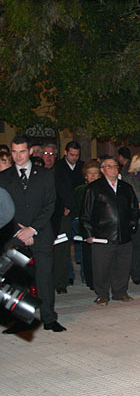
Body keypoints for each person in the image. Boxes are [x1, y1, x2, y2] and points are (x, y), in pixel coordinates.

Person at [0, 135, 65, 333]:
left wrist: (33, 229)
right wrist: (19, 230)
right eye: (14, 152)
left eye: (21, 151)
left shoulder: (45, 175)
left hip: (41, 233)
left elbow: (50, 205)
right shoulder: (4, 177)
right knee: (17, 278)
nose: (17, 156)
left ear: (30, 152)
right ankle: (20, 321)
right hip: (14, 235)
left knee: (44, 277)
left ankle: (49, 318)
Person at [80, 157, 139, 305]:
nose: (113, 168)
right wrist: (88, 234)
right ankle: (102, 294)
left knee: (123, 265)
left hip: (124, 235)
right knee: (101, 267)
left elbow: (134, 209)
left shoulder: (126, 187)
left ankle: (120, 292)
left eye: (115, 166)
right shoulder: (94, 188)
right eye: (109, 166)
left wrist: (132, 225)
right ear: (102, 170)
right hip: (102, 235)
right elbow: (85, 213)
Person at [53, 141, 84, 294]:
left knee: (81, 244)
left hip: (79, 211)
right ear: (65, 153)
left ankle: (83, 275)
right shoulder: (58, 167)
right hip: (63, 212)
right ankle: (63, 280)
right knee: (63, 247)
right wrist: (64, 206)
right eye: (72, 155)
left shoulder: (81, 167)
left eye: (77, 155)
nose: (74, 158)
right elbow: (58, 190)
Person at [122, 154, 140, 285]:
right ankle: (136, 273)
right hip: (137, 218)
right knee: (137, 247)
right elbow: (128, 200)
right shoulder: (130, 179)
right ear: (138, 165)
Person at [73, 159, 101, 291]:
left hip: (100, 226)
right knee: (87, 254)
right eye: (90, 174)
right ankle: (88, 278)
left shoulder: (103, 189)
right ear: (85, 176)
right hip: (85, 225)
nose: (93, 176)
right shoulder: (80, 190)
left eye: (96, 173)